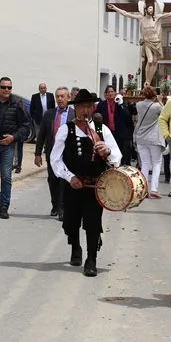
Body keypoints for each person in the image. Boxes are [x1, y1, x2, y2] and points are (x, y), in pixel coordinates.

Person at [50, 89, 122, 277]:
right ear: (76, 108)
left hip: (94, 186)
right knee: (71, 222)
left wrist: (107, 152)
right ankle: (75, 247)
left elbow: (117, 157)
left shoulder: (102, 130)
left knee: (93, 223)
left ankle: (91, 259)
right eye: (82, 106)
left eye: (88, 106)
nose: (85, 110)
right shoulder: (66, 129)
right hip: (73, 184)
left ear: (93, 108)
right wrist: (69, 177)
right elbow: (55, 159)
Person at [0, 77, 29, 218]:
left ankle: (4, 206)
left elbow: (25, 126)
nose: (6, 90)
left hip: (8, 145)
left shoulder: (17, 103)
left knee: (6, 176)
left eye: (9, 87)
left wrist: (13, 137)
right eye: (3, 87)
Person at [34, 86, 71, 219]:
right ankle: (55, 204)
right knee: (53, 179)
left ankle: (62, 208)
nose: (60, 99)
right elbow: (42, 135)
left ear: (68, 98)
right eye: (58, 96)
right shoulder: (49, 114)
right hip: (52, 152)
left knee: (63, 180)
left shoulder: (73, 114)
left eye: (62, 96)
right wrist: (38, 154)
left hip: (67, 153)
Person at [133, 86, 166, 198]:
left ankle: (144, 189)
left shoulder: (138, 105)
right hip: (153, 138)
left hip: (141, 137)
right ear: (154, 95)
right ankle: (154, 189)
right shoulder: (157, 106)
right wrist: (160, 101)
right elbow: (165, 113)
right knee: (157, 163)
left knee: (145, 163)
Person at [97, 85, 134, 168]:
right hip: (107, 132)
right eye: (108, 92)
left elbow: (127, 116)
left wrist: (121, 104)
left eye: (112, 92)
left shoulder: (119, 103)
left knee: (119, 154)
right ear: (105, 94)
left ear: (115, 93)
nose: (110, 93)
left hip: (119, 133)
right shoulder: (101, 105)